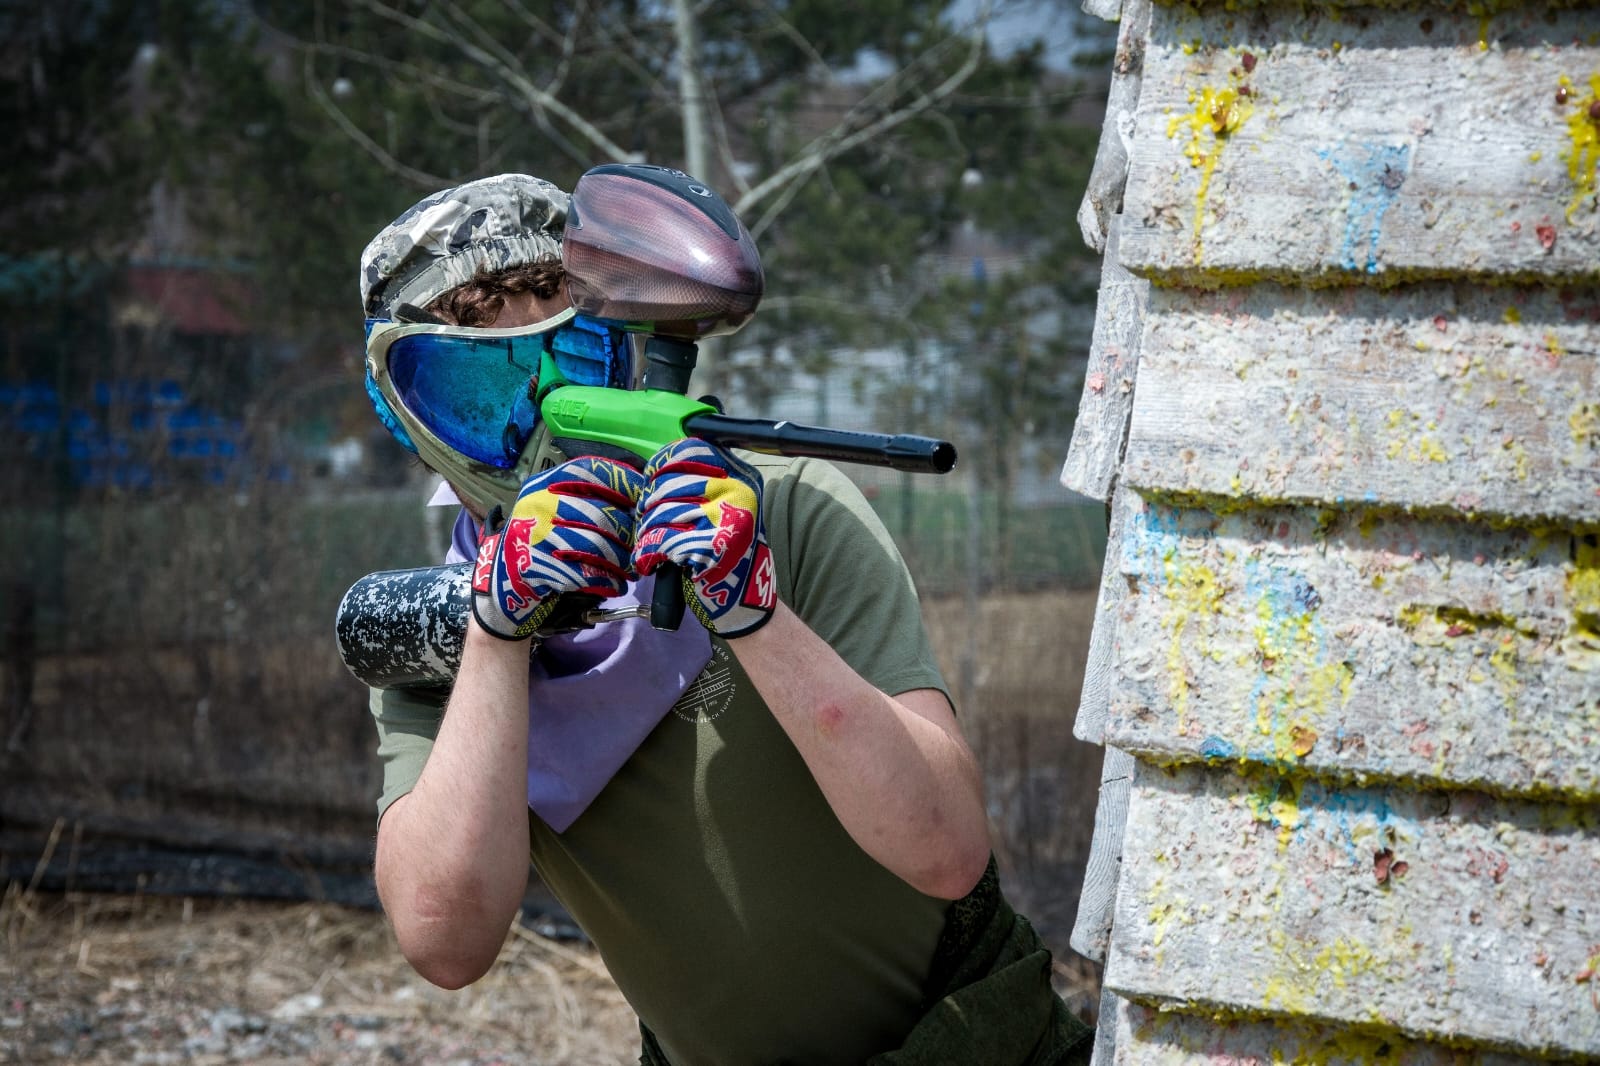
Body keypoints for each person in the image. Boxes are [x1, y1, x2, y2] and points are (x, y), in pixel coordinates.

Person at [356, 171, 1092, 1065]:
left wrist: (754, 614)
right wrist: (496, 635)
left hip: (978, 1036)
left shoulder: (782, 512)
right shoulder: (436, 630)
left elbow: (945, 850)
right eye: (480, 347)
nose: (539, 389)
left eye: (559, 315)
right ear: (409, 405)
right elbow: (444, 940)